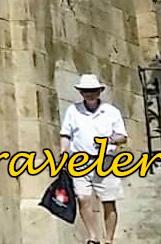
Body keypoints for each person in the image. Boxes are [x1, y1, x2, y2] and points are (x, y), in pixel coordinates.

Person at [59, 74, 128, 243]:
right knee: (83, 198)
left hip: (105, 161)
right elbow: (66, 134)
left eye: (92, 91)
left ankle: (109, 239)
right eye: (85, 91)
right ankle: (92, 237)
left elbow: (122, 136)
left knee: (108, 201)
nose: (89, 94)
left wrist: (109, 140)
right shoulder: (73, 111)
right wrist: (63, 151)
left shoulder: (111, 112)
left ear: (99, 92)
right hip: (81, 161)